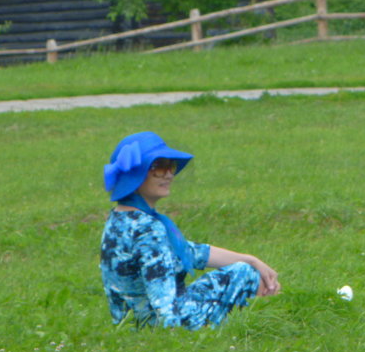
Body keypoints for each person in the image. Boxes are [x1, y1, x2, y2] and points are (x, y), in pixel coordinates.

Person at [100, 131, 280, 329]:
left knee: (246, 267)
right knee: (245, 274)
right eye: (158, 167)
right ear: (136, 173)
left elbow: (191, 252)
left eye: (171, 166)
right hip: (153, 325)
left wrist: (251, 259)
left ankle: (253, 322)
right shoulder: (148, 228)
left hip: (129, 323)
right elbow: (166, 308)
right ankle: (254, 328)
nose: (169, 174)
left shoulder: (120, 218)